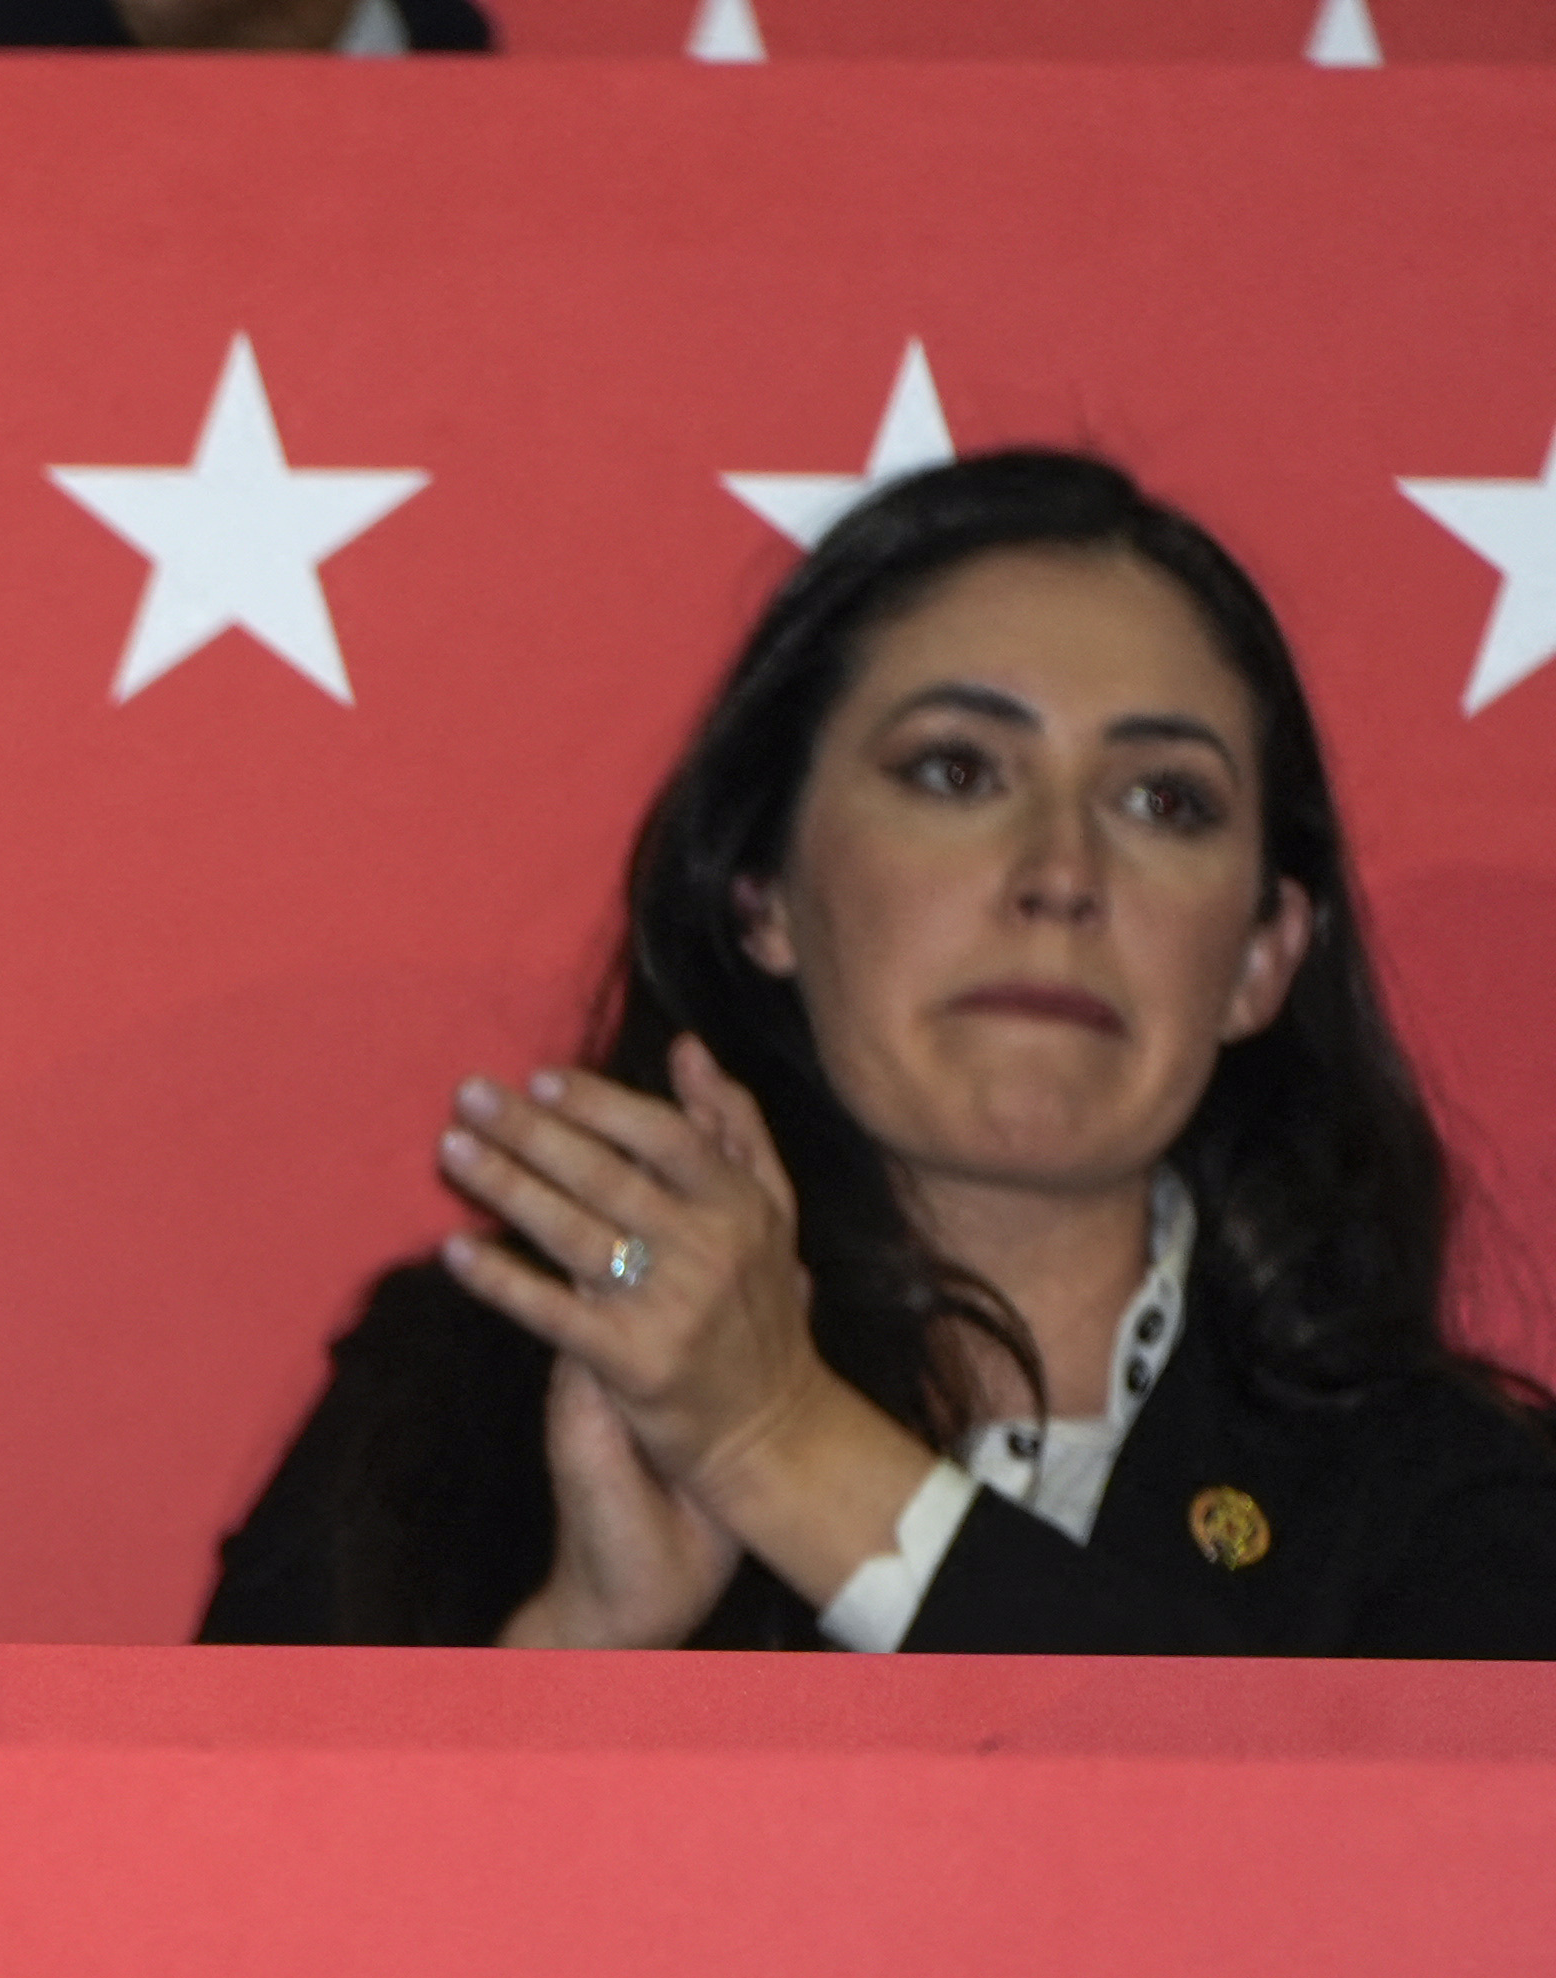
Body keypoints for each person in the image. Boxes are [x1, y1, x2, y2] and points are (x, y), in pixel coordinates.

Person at [205, 450, 1556, 1657]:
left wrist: (780, 1442)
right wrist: (577, 1660)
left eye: (1163, 800)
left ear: (1261, 957)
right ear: (763, 896)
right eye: (958, 773)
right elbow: (225, 1920)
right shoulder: (462, 1401)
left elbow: (1336, 1891)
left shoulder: (1445, 1498)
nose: (1063, 873)